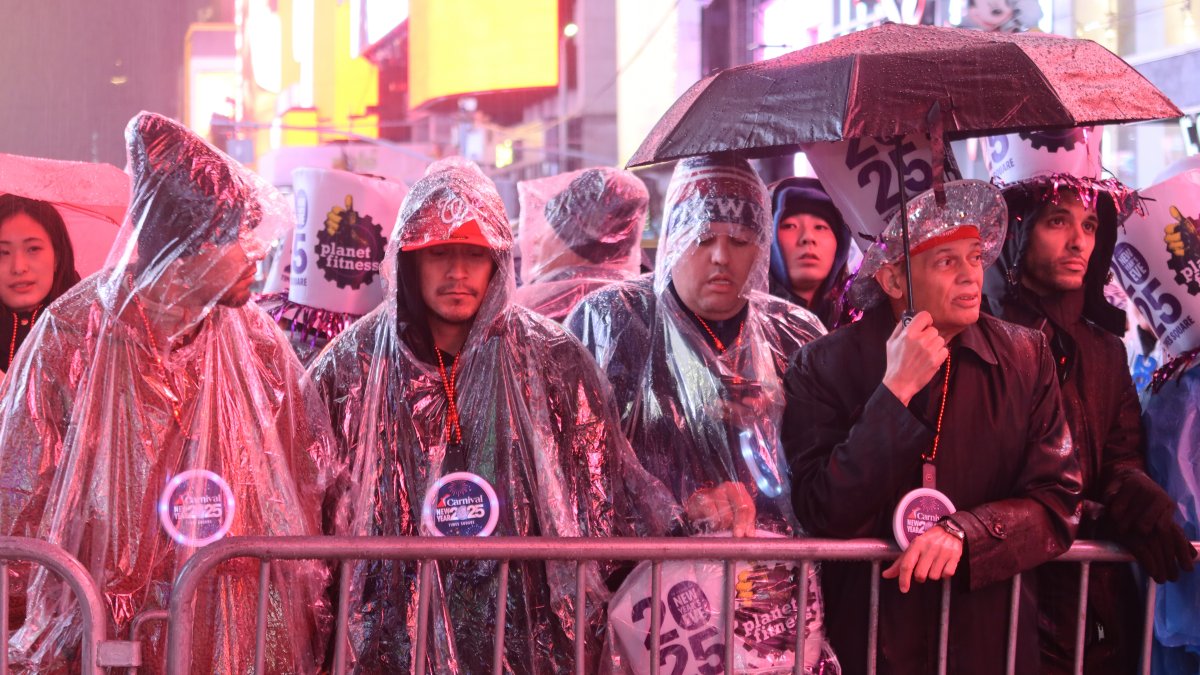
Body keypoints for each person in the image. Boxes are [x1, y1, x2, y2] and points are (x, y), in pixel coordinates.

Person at [0, 112, 337, 674]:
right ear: (186, 243)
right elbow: (20, 496)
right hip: (106, 629)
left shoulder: (256, 341)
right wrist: (25, 626)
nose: (256, 255)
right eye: (236, 237)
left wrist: (297, 611)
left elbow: (304, 474)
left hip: (238, 621)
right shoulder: (72, 334)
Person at [308, 159, 674, 674]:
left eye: (474, 255)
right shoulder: (352, 367)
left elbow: (601, 502)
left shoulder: (553, 361)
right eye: (439, 253)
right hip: (388, 637)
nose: (458, 272)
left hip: (525, 630)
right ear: (409, 261)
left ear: (498, 261)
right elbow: (312, 503)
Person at [782, 180, 1083, 674]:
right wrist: (893, 394)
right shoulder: (823, 365)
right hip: (869, 644)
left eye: (974, 257)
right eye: (946, 262)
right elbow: (821, 511)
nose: (970, 277)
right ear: (895, 280)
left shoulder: (1027, 357)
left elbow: (1058, 501)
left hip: (989, 642)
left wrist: (969, 533)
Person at [567, 155, 836, 671]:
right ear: (672, 234)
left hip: (772, 606)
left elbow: (821, 469)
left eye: (739, 242)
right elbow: (578, 475)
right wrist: (671, 515)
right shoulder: (609, 323)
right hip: (650, 610)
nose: (720, 258)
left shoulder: (794, 335)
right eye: (703, 237)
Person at [983, 175, 1196, 673]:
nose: (1078, 241)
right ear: (1017, 233)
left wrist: (1135, 494)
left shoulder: (1104, 350)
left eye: (1090, 225)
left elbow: (1120, 456)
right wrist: (1103, 515)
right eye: (1057, 222)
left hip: (1095, 612)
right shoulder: (982, 341)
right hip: (1011, 605)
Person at [513, 166, 648, 322]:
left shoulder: (527, 313)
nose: (535, 240)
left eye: (550, 226)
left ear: (575, 240)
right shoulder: (640, 305)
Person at [0, 195, 80, 376]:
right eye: (2, 252)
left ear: (57, 258)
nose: (19, 267)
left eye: (33, 249)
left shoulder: (91, 330)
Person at [767, 177, 856, 329]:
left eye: (820, 227)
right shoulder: (746, 324)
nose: (807, 237)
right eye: (789, 226)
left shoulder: (856, 323)